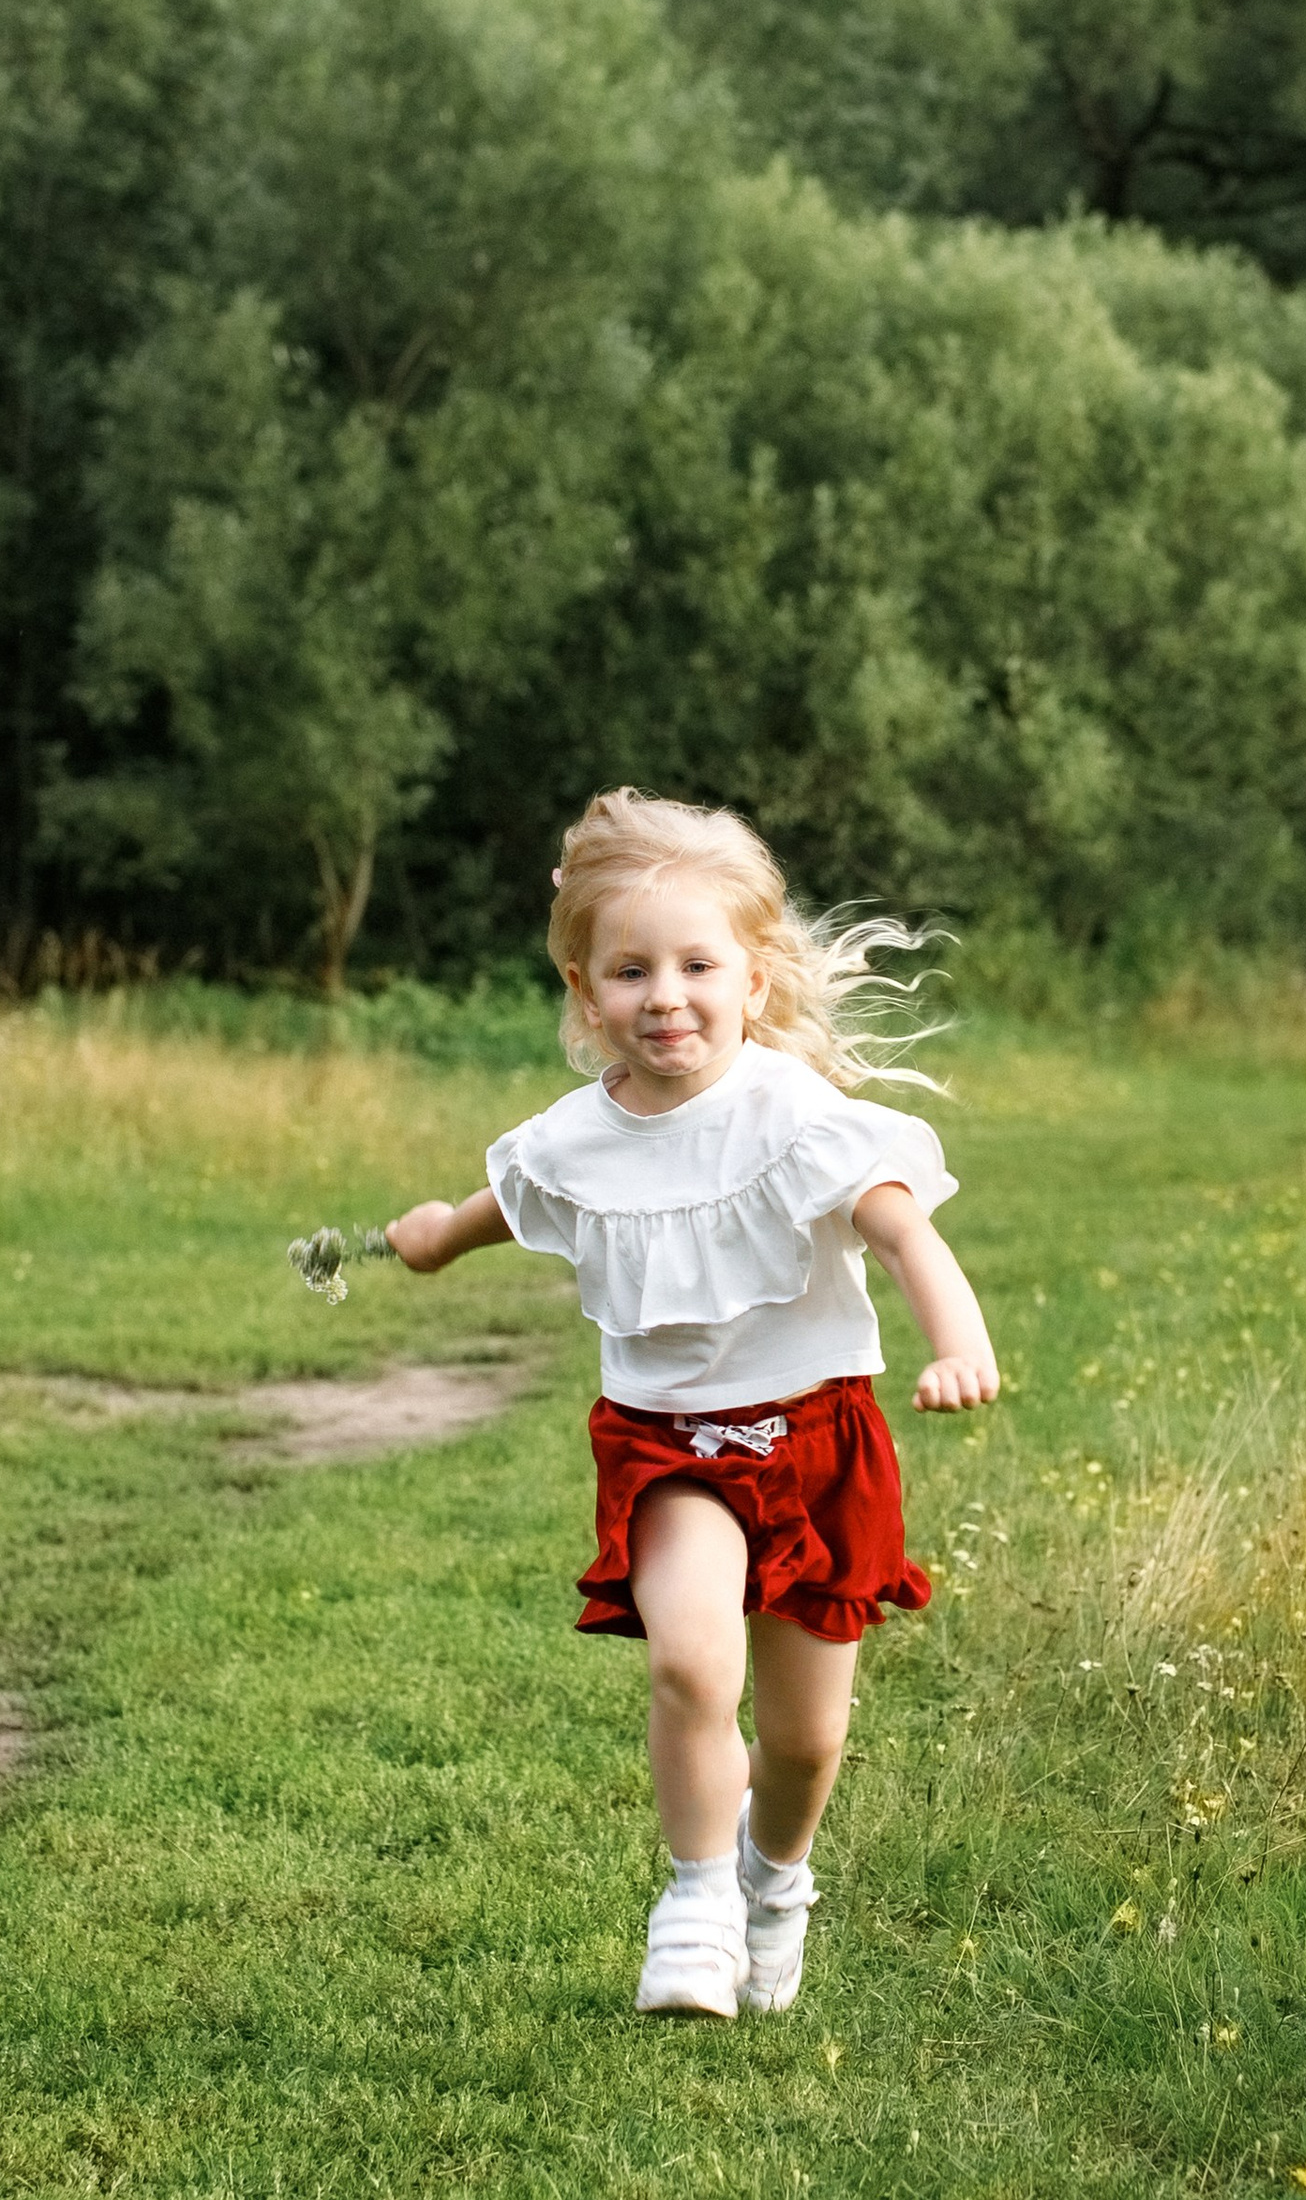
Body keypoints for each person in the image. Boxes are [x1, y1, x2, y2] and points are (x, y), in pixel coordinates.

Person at [384, 788, 997, 2021]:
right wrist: (434, 1240)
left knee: (806, 1741)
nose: (664, 994)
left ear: (753, 978)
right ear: (583, 987)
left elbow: (896, 1226)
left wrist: (958, 1341)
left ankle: (776, 1885)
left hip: (815, 1436)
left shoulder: (793, 1117)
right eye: (629, 969)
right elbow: (507, 1201)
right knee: (690, 1660)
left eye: (696, 963)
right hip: (669, 1446)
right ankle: (696, 1897)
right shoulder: (573, 1138)